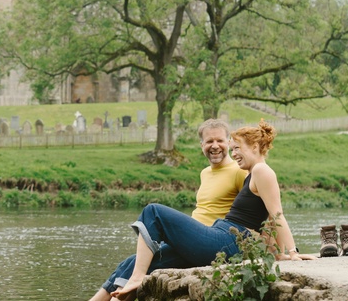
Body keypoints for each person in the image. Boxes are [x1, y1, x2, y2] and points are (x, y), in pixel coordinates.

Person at [102, 120, 315, 301]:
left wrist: (292, 253)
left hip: (226, 240)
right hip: (220, 237)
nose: (234, 154)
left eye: (237, 148)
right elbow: (267, 218)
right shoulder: (253, 173)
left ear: (255, 146)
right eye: (233, 150)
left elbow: (276, 215)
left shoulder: (261, 170)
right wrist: (278, 255)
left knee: (153, 212)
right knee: (136, 261)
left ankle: (137, 278)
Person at [88, 119, 247, 301]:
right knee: (131, 262)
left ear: (228, 142)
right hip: (191, 241)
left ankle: (129, 285)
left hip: (213, 242)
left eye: (220, 140)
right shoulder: (205, 173)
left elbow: (255, 210)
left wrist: (273, 248)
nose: (215, 146)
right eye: (209, 141)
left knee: (153, 214)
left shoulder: (238, 171)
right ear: (201, 144)